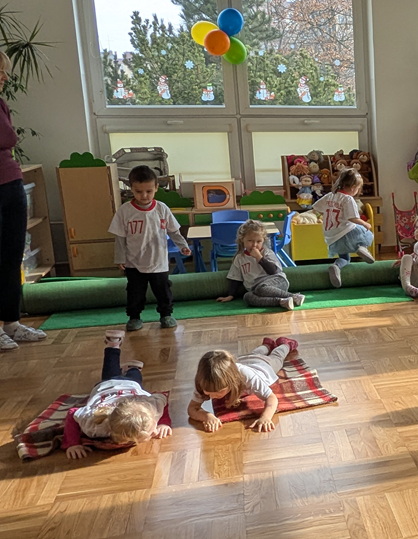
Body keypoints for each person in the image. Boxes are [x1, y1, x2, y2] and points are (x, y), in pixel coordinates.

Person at [64, 329, 172, 459]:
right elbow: (73, 414)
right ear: (123, 439)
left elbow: (162, 398)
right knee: (120, 375)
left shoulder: (152, 406)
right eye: (151, 432)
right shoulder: (95, 426)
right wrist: (72, 444)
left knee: (127, 377)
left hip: (121, 386)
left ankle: (123, 357)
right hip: (115, 387)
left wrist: (164, 423)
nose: (154, 432)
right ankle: (124, 359)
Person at [109, 165, 191, 332]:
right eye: (138, 191)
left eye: (149, 191)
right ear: (131, 188)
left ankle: (166, 315)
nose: (144, 195)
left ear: (156, 188)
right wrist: (120, 258)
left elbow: (173, 231)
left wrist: (183, 246)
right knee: (135, 292)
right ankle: (134, 317)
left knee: (163, 291)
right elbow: (120, 238)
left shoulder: (162, 209)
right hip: (134, 263)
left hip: (158, 262)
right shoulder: (125, 211)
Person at [0, 52, 46, 351]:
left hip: (10, 181)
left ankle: (12, 323)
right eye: (0, 72)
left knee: (12, 255)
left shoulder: (1, 103)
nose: (5, 77)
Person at [188, 337, 298, 433]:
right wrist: (206, 416)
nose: (212, 397)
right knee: (254, 354)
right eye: (208, 393)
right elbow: (192, 408)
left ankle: (285, 344)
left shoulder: (248, 377)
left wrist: (266, 417)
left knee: (277, 358)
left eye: (219, 392)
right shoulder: (204, 380)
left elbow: (271, 398)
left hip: (263, 366)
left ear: (232, 382)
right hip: (246, 359)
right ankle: (267, 345)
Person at [217, 220, 305, 310]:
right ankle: (282, 301)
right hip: (257, 289)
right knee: (247, 296)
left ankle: (294, 296)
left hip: (277, 281)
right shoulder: (239, 258)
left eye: (258, 241)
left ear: (263, 241)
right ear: (242, 239)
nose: (254, 245)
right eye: (250, 241)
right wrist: (231, 295)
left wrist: (259, 257)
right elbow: (235, 279)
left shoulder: (266, 252)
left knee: (261, 288)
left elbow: (273, 271)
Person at [312, 169, 375, 288]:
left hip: (332, 236)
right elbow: (352, 218)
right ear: (353, 187)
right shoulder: (347, 199)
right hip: (345, 232)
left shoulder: (330, 196)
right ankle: (362, 248)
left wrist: (327, 214)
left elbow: (316, 208)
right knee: (367, 234)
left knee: (345, 258)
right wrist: (365, 224)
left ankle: (336, 267)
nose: (357, 191)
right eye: (358, 189)